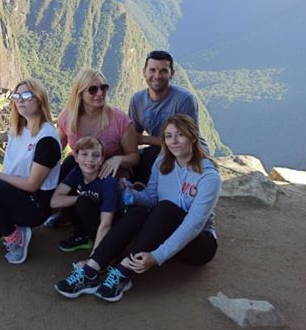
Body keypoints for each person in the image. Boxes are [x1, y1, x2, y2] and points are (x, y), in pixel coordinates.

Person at [54, 114, 221, 302]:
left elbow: (194, 225)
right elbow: (151, 199)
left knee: (165, 208)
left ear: (192, 137)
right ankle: (91, 269)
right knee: (138, 212)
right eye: (168, 136)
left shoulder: (208, 177)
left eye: (180, 135)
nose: (174, 141)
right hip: (164, 231)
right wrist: (128, 191)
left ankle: (123, 272)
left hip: (198, 244)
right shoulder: (163, 162)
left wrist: (156, 257)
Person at [0, 78, 61, 264]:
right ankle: (15, 227)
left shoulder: (46, 138)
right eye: (17, 96)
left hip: (35, 206)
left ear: (39, 99)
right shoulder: (18, 130)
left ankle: (15, 238)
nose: (20, 100)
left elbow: (32, 185)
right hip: (15, 196)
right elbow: (10, 169)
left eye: (26, 95)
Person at [128, 50, 203, 184]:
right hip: (161, 150)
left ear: (172, 74)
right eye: (152, 70)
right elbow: (133, 136)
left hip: (187, 152)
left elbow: (185, 140)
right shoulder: (137, 100)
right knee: (133, 162)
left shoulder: (184, 100)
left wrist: (145, 139)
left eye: (163, 71)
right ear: (144, 72)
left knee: (155, 157)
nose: (157, 76)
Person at [57, 68, 139, 181]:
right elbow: (56, 149)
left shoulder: (120, 120)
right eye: (93, 90)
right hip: (79, 172)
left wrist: (118, 159)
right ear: (80, 93)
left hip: (110, 177)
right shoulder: (68, 118)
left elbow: (134, 157)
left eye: (103, 88)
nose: (100, 93)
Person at [50, 136, 122, 253]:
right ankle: (84, 236)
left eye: (96, 155)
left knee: (84, 202)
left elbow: (106, 223)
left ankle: (99, 247)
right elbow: (54, 201)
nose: (90, 159)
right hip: (92, 218)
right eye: (84, 154)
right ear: (76, 157)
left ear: (102, 159)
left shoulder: (108, 182)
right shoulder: (77, 172)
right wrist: (84, 196)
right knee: (81, 200)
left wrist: (94, 259)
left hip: (112, 226)